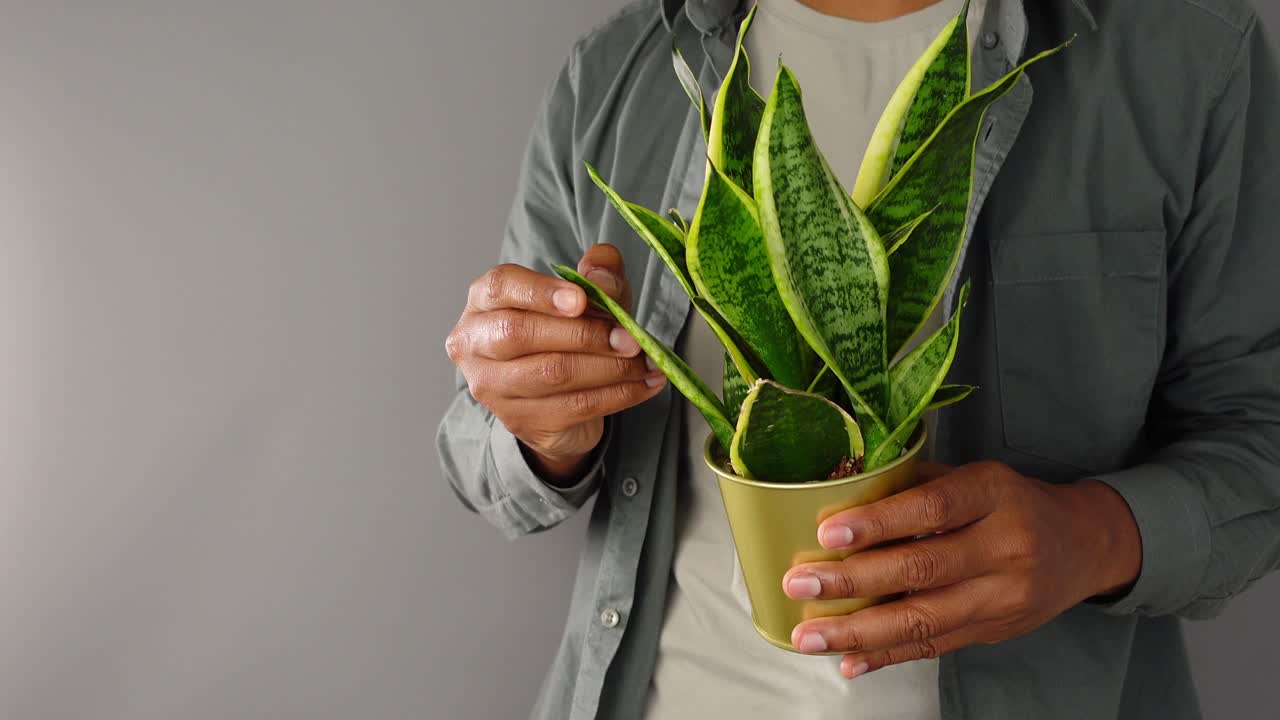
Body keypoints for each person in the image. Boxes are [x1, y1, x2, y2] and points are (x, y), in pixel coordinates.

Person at [438, 0, 1280, 717]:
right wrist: (543, 425)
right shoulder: (614, 75)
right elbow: (479, 453)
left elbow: (1261, 431)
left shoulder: (1189, 58)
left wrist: (1095, 536)